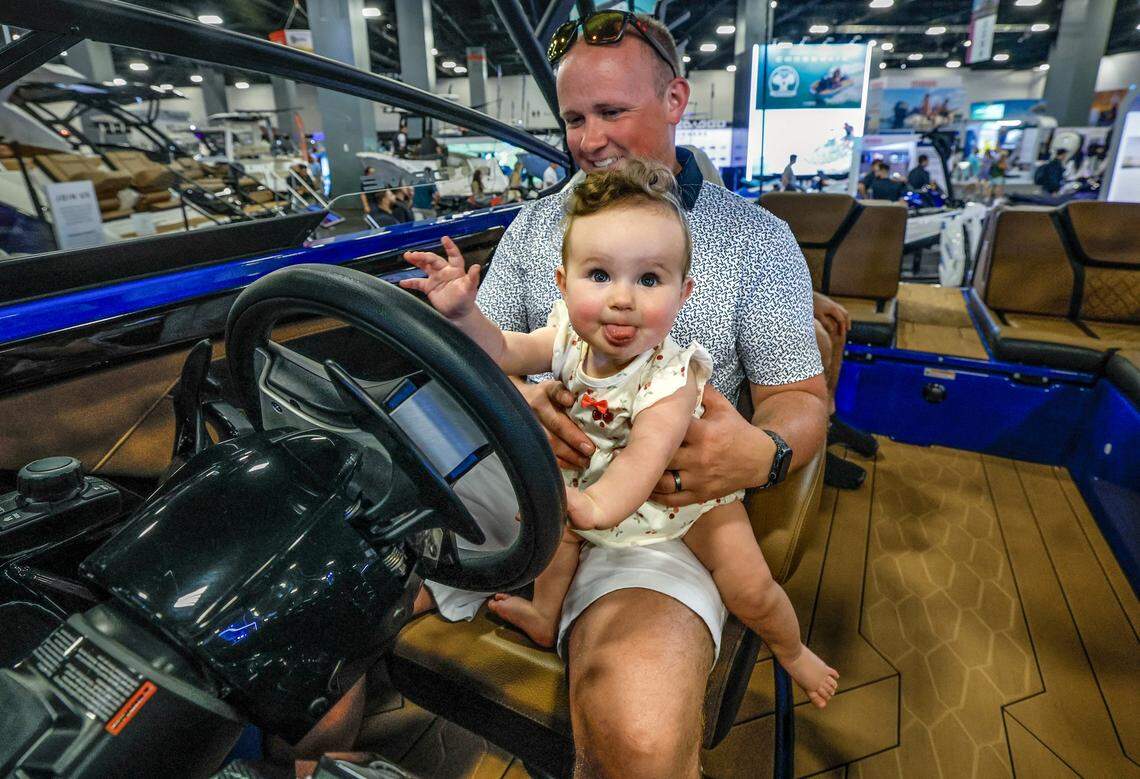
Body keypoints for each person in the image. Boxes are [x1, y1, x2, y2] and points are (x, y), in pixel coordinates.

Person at [289, 13, 828, 777]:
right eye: (575, 118)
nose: (589, 140)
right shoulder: (536, 225)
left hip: (653, 522)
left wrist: (763, 451)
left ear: (676, 99)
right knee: (313, 616)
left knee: (636, 740)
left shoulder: (756, 240)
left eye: (612, 112)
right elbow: (489, 352)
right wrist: (516, 399)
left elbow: (801, 396)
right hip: (509, 480)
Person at [402, 159, 840, 707]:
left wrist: (588, 508)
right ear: (563, 284)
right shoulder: (565, 337)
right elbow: (504, 350)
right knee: (555, 543)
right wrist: (465, 315)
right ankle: (544, 616)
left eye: (650, 279)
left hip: (681, 502)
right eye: (600, 275)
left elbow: (643, 461)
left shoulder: (673, 377)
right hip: (590, 481)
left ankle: (792, 648)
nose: (622, 298)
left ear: (684, 294)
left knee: (749, 587)